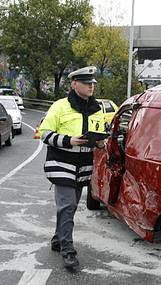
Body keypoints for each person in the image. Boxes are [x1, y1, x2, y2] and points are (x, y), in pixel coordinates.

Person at [39, 66, 106, 269]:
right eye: (86, 83)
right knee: (67, 206)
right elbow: (44, 133)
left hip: (84, 165)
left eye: (92, 83)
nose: (90, 87)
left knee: (71, 207)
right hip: (62, 164)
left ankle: (58, 239)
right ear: (74, 84)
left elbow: (99, 134)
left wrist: (100, 143)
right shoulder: (60, 106)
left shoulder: (98, 108)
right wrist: (69, 140)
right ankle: (68, 251)